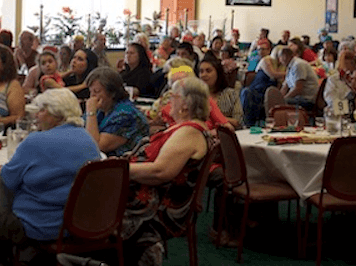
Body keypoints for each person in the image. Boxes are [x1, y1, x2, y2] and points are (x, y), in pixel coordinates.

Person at [0, 88, 100, 264]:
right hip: (82, 225)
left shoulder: (35, 141)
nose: (36, 117)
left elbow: (8, 180)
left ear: (54, 113)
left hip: (40, 226)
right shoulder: (88, 140)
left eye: (40, 111)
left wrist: (9, 168)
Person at [122, 77, 215, 264]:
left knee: (88, 202)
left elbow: (160, 172)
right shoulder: (182, 128)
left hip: (156, 206)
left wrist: (118, 170)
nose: (168, 99)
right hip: (147, 191)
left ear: (186, 105)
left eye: (174, 95)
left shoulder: (189, 132)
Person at [84, 67, 149, 157]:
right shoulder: (103, 109)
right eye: (90, 91)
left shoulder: (125, 115)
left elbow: (95, 146)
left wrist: (90, 112)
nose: (92, 96)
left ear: (112, 93)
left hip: (123, 165)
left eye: (97, 91)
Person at [199, 58, 243, 128]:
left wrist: (215, 118)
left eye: (208, 71)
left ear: (218, 73)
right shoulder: (196, 96)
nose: (204, 75)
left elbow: (238, 122)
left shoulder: (230, 94)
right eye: (201, 71)